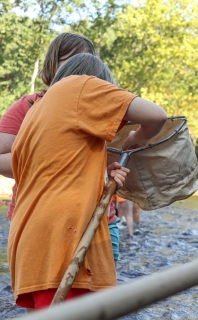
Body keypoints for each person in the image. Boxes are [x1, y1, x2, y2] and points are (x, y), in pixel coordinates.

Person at [8, 53, 167, 310]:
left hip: (30, 242)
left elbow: (53, 172)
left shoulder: (37, 110)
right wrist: (139, 136)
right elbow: (156, 116)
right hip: (62, 241)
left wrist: (103, 174)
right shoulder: (82, 85)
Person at [0, 32, 123, 270]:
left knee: (99, 301)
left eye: (85, 61)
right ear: (53, 66)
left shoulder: (106, 105)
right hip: (38, 219)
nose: (79, 70)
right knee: (40, 298)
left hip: (97, 218)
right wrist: (47, 159)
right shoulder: (28, 106)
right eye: (69, 61)